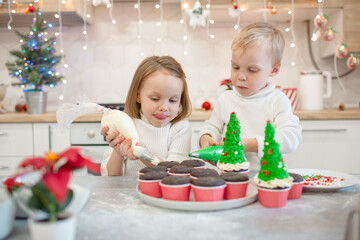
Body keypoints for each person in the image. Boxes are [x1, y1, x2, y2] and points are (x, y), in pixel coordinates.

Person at [198, 22, 302, 174]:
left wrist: (249, 144)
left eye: (252, 70)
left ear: (274, 70)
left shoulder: (277, 101)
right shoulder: (226, 98)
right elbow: (212, 126)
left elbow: (290, 138)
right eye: (235, 67)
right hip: (230, 177)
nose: (241, 76)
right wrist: (206, 138)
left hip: (269, 178)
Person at [101, 56, 192, 176]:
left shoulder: (180, 128)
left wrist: (143, 155)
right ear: (138, 96)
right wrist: (118, 151)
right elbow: (111, 177)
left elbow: (176, 172)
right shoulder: (127, 123)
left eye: (173, 100)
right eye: (155, 99)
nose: (164, 107)